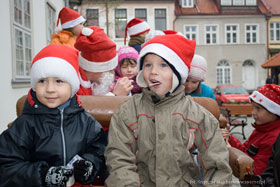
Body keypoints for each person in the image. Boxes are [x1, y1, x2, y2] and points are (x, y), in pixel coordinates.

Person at [105, 34, 232, 186]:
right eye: (148, 65)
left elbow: (217, 164)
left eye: (163, 65)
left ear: (178, 72)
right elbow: (119, 159)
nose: (153, 72)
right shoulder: (128, 112)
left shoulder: (197, 116)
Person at [0, 45, 107, 187]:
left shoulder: (86, 123)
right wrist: (43, 175)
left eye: (59, 81)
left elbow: (100, 152)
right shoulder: (24, 125)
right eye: (42, 81)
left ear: (72, 86)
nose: (50, 89)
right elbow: (6, 167)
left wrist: (89, 165)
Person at [222, 84, 280, 175]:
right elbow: (245, 150)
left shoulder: (274, 138)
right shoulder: (261, 129)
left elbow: (255, 172)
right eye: (253, 107)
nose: (253, 112)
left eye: (258, 108)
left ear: (274, 112)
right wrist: (229, 138)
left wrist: (231, 152)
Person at [74, 26, 133, 97]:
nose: (112, 74)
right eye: (109, 70)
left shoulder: (94, 82)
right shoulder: (75, 87)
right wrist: (115, 95)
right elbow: (88, 107)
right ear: (94, 69)